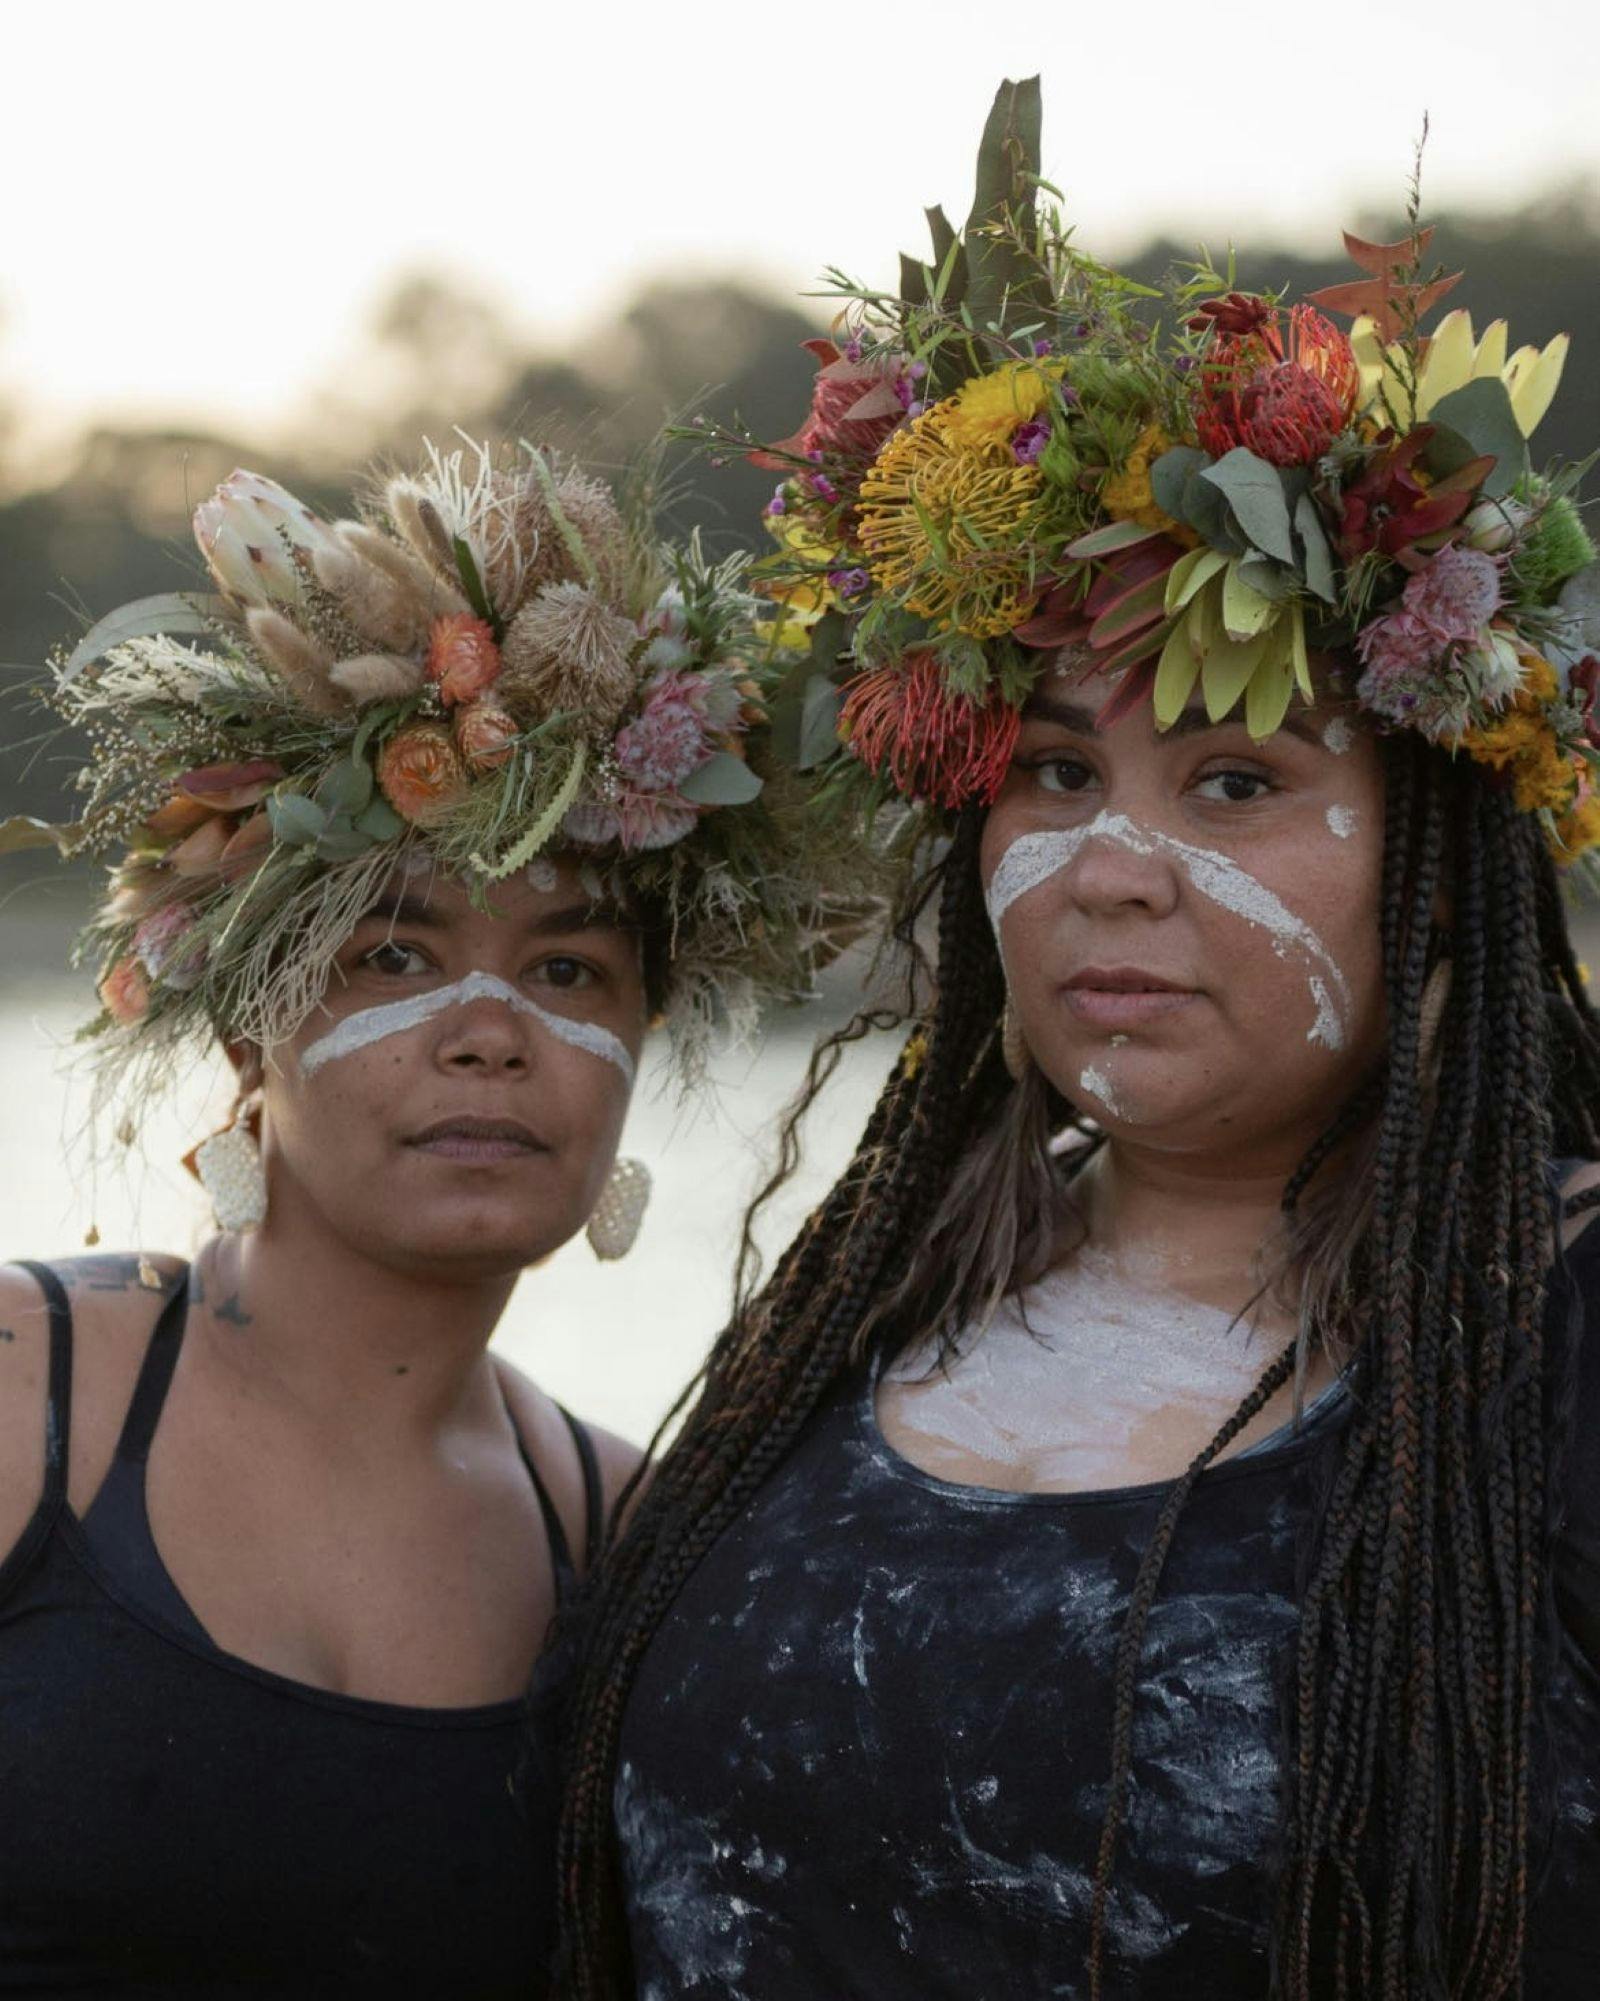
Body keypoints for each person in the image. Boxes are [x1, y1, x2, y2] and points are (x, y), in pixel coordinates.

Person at [549, 81, 1600, 2000]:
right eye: (1050, 769)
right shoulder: (884, 1288)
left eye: (1233, 776)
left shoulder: (1558, 1313)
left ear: (1439, 850)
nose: (1111, 867)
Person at [0, 436, 836, 1994]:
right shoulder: (28, 1389)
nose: (491, 1027)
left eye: (571, 969)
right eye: (395, 955)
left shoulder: (624, 1534)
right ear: (250, 1032)